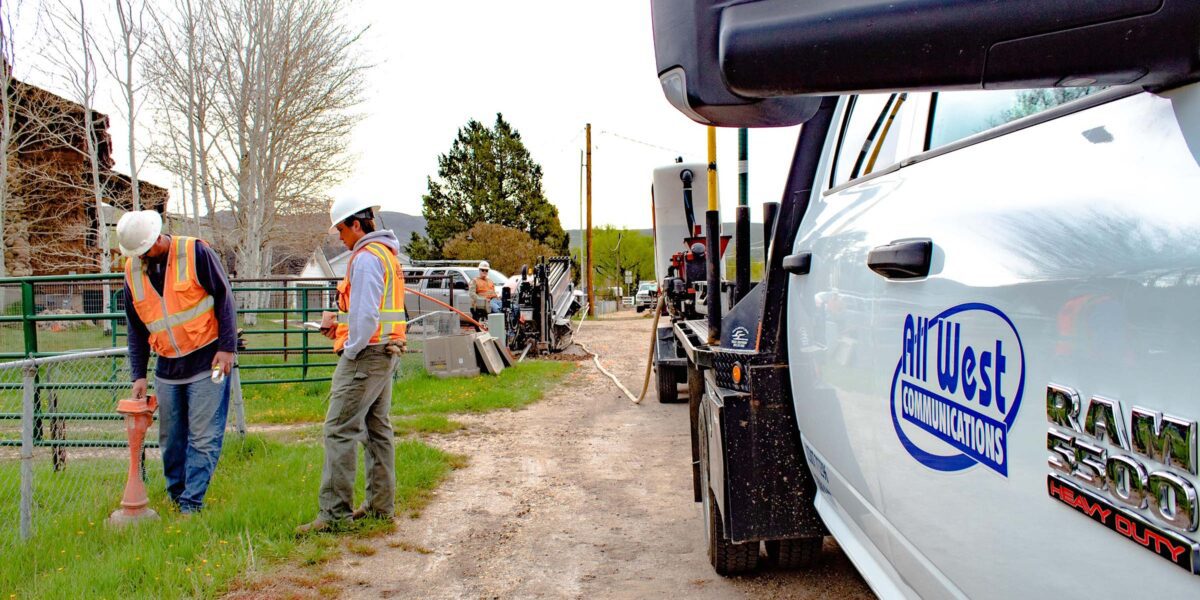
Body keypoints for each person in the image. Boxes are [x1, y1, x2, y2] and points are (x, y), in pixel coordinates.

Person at [116, 210, 237, 515]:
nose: (141, 258)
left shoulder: (195, 251)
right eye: (136, 254)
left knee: (203, 435)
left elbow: (224, 297)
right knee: (171, 440)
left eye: (144, 251)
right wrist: (138, 375)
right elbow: (137, 327)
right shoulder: (132, 272)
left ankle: (191, 503)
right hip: (168, 365)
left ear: (157, 238)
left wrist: (227, 348)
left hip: (209, 359)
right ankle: (176, 495)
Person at [297, 198, 406, 534]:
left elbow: (366, 315)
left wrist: (351, 348)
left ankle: (334, 515)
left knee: (339, 429)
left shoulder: (366, 259)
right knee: (377, 429)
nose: (339, 238)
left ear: (356, 225)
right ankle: (379, 507)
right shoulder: (386, 255)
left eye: (341, 229)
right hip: (384, 351)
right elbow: (364, 312)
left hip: (365, 354)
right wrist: (340, 327)